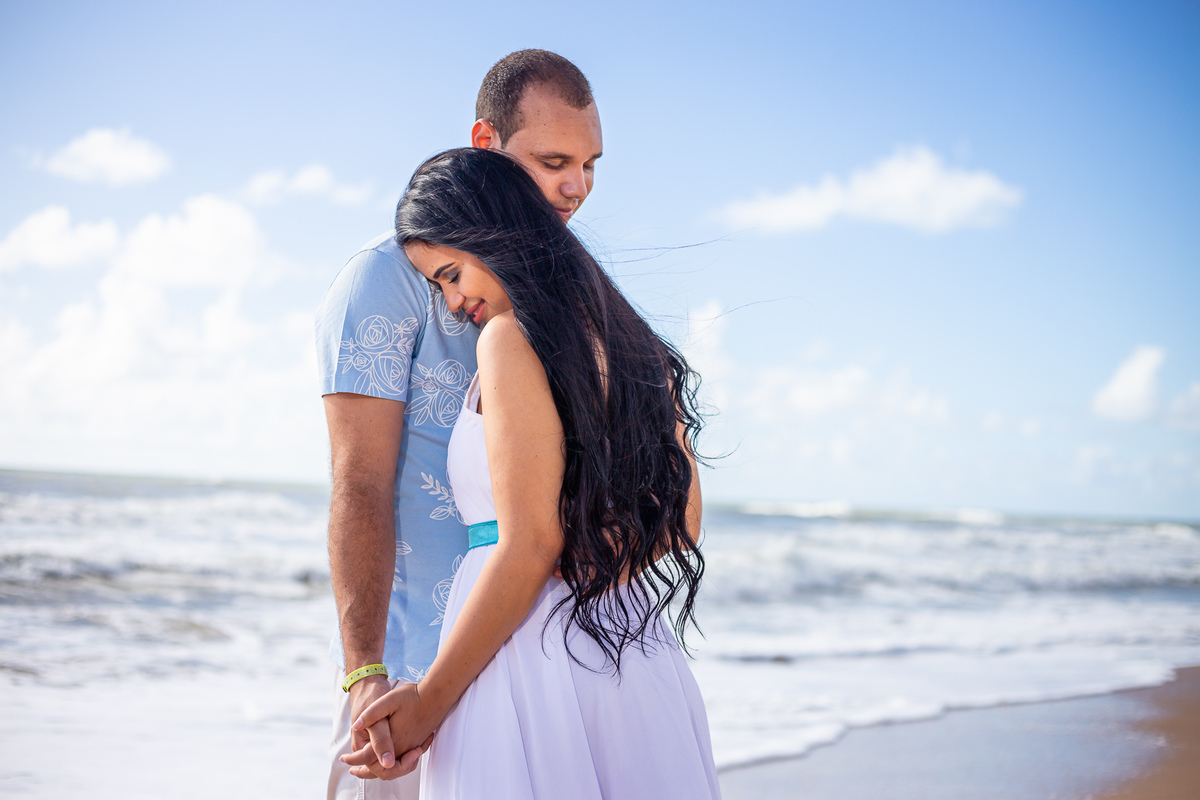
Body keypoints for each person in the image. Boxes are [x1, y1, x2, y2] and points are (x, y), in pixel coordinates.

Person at [341, 148, 721, 799]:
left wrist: (429, 703)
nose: (456, 302)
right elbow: (682, 519)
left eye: (454, 273)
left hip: (525, 658)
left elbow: (530, 541)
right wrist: (587, 580)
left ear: (498, 235)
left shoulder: (508, 341)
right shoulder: (635, 344)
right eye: (439, 286)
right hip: (630, 648)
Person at [315, 50, 603, 799]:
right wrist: (364, 676)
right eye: (552, 161)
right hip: (417, 675)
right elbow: (361, 486)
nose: (575, 187)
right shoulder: (383, 279)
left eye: (588, 164)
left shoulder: (578, 296)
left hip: (551, 671)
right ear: (485, 144)